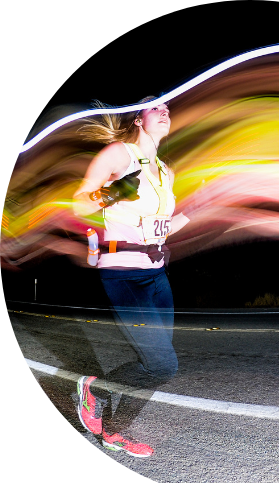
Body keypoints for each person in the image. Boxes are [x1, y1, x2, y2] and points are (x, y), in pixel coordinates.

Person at [73, 97, 190, 457]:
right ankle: (94, 390)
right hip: (124, 273)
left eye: (167, 107)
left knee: (157, 366)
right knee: (164, 365)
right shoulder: (118, 154)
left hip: (156, 274)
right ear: (138, 120)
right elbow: (79, 203)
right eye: (155, 107)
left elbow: (161, 226)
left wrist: (199, 210)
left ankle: (115, 432)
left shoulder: (166, 171)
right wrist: (112, 192)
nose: (164, 110)